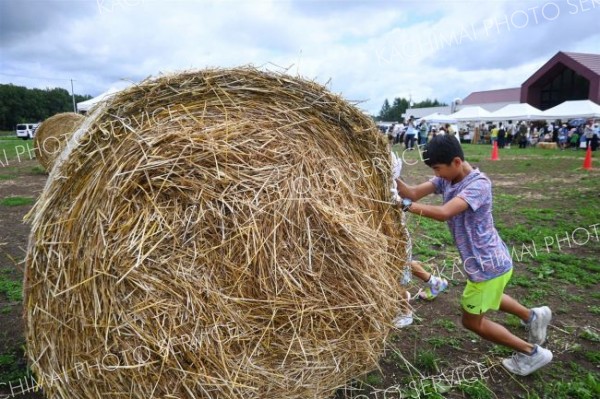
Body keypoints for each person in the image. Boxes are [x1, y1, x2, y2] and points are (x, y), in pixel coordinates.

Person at [395, 135, 553, 376]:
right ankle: (533, 316)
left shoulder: (478, 185)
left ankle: (532, 353)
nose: (437, 175)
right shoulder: (447, 178)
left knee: (472, 322)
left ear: (456, 161)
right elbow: (414, 192)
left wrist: (403, 205)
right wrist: (390, 175)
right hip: (490, 262)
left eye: (438, 169)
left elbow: (444, 213)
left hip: (486, 265)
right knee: (493, 296)